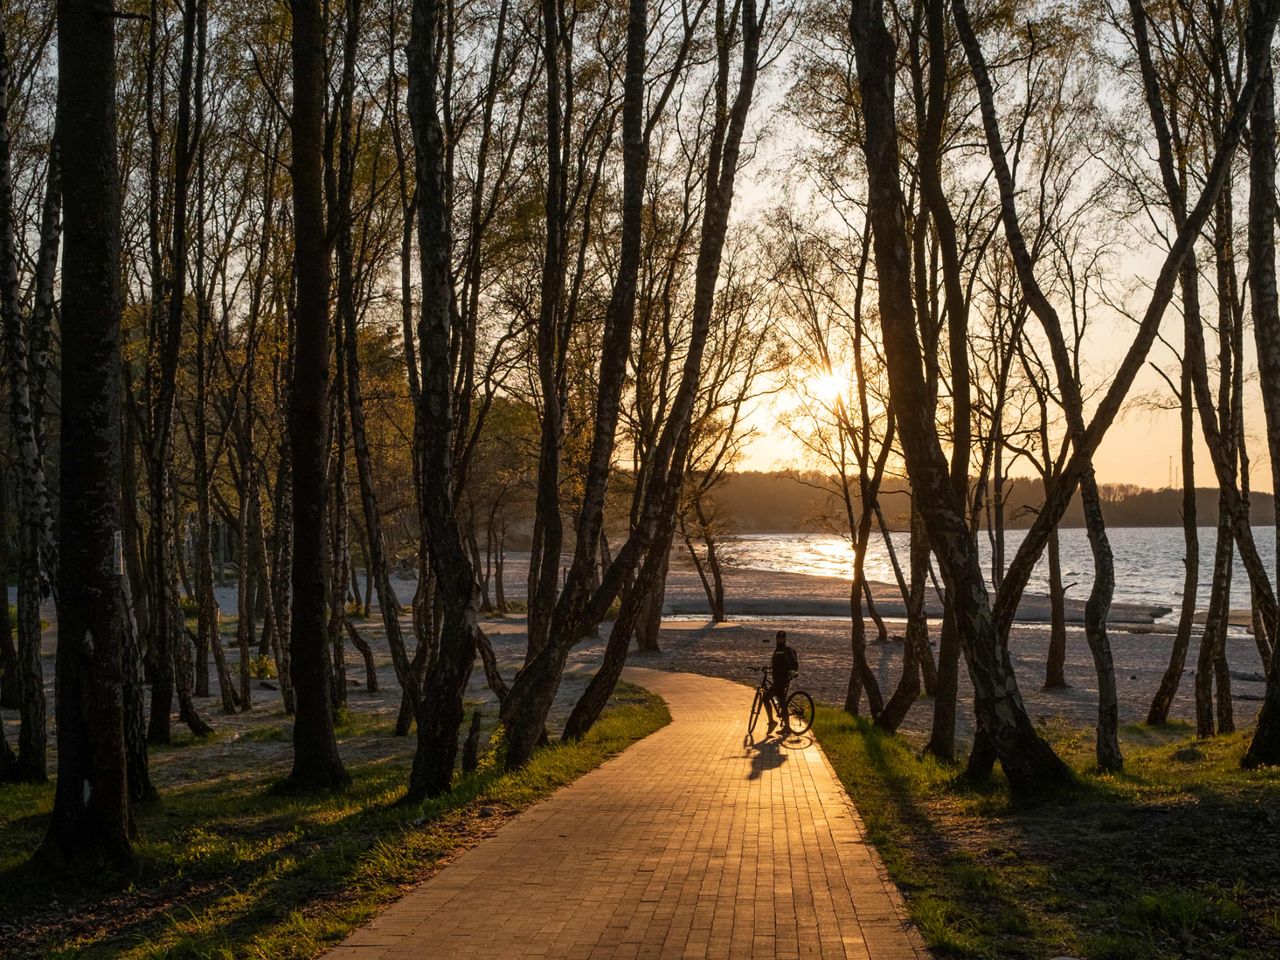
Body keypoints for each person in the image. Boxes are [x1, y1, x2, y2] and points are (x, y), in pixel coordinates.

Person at [765, 630, 799, 734]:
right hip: (777, 679)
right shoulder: (776, 650)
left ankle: (772, 722)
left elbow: (794, 664)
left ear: (785, 638)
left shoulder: (787, 650)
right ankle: (787, 727)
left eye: (782, 637)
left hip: (783, 680)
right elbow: (775, 664)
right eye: (778, 637)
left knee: (766, 698)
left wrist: (791, 672)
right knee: (782, 702)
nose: (780, 639)